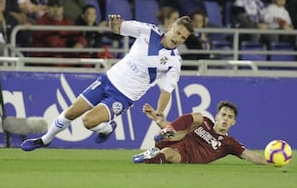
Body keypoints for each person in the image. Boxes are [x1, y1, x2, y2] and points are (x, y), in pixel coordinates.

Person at [20, 14, 194, 151]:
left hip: (123, 96)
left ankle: (106, 129)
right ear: (171, 26)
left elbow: (166, 91)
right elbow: (118, 28)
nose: (179, 39)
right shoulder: (148, 31)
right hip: (108, 79)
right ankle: (45, 140)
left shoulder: (174, 62)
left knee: (87, 122)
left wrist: (159, 111)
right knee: (72, 112)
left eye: (183, 38)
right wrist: (113, 22)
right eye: (178, 33)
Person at [132, 101, 269, 165]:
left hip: (186, 156)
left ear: (234, 122)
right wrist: (158, 120)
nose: (225, 119)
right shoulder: (205, 122)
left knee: (168, 153)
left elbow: (252, 156)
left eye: (230, 117)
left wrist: (274, 161)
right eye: (223, 114)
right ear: (217, 116)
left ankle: (151, 157)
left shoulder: (229, 144)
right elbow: (180, 129)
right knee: (197, 117)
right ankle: (165, 136)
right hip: (176, 137)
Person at [30, 0, 87, 65]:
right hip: (45, 56)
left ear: (62, 9)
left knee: (84, 54)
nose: (56, 10)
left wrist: (80, 42)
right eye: (53, 7)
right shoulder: (42, 22)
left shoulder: (66, 21)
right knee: (57, 57)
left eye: (58, 7)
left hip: (62, 55)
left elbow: (78, 36)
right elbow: (50, 42)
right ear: (48, 8)